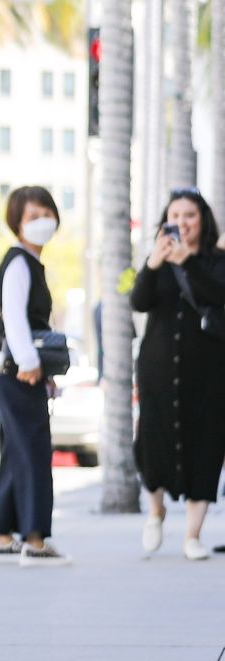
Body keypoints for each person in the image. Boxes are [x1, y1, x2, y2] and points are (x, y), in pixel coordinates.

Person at [131, 188, 225, 560]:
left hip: (207, 369)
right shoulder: (158, 259)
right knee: (151, 441)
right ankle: (156, 510)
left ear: (202, 220)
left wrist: (188, 261)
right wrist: (155, 263)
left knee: (206, 444)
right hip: (157, 366)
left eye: (190, 215)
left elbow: (218, 294)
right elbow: (138, 301)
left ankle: (192, 535)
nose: (183, 223)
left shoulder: (216, 259)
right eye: (176, 215)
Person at [0, 185, 70, 566]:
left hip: (16, 372)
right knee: (34, 452)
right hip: (18, 372)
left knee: (16, 451)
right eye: (32, 217)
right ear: (16, 223)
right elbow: (15, 318)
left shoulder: (29, 262)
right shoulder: (18, 262)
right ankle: (34, 542)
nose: (42, 222)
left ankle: (3, 536)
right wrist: (30, 363)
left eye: (46, 214)